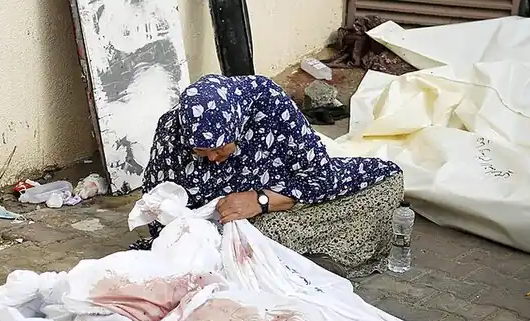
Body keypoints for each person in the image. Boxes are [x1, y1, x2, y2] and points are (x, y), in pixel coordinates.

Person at [137, 74, 404, 278]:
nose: (211, 159)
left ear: (237, 125)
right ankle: (286, 261)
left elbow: (318, 174)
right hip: (230, 230)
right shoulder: (172, 131)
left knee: (386, 182)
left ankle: (288, 259)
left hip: (279, 198)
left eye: (219, 149)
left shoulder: (270, 105)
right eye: (200, 151)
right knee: (259, 237)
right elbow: (157, 205)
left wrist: (260, 200)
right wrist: (195, 225)